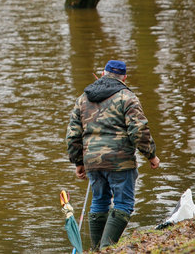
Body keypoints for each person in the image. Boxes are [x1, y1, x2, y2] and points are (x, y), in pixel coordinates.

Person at [66, 59, 161, 249]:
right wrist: (151, 155)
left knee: (99, 202)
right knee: (123, 203)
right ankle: (106, 248)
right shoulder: (127, 97)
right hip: (120, 161)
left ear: (103, 74)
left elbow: (73, 134)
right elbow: (138, 130)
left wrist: (78, 162)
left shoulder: (83, 98)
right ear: (124, 78)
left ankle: (96, 249)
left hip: (92, 161)